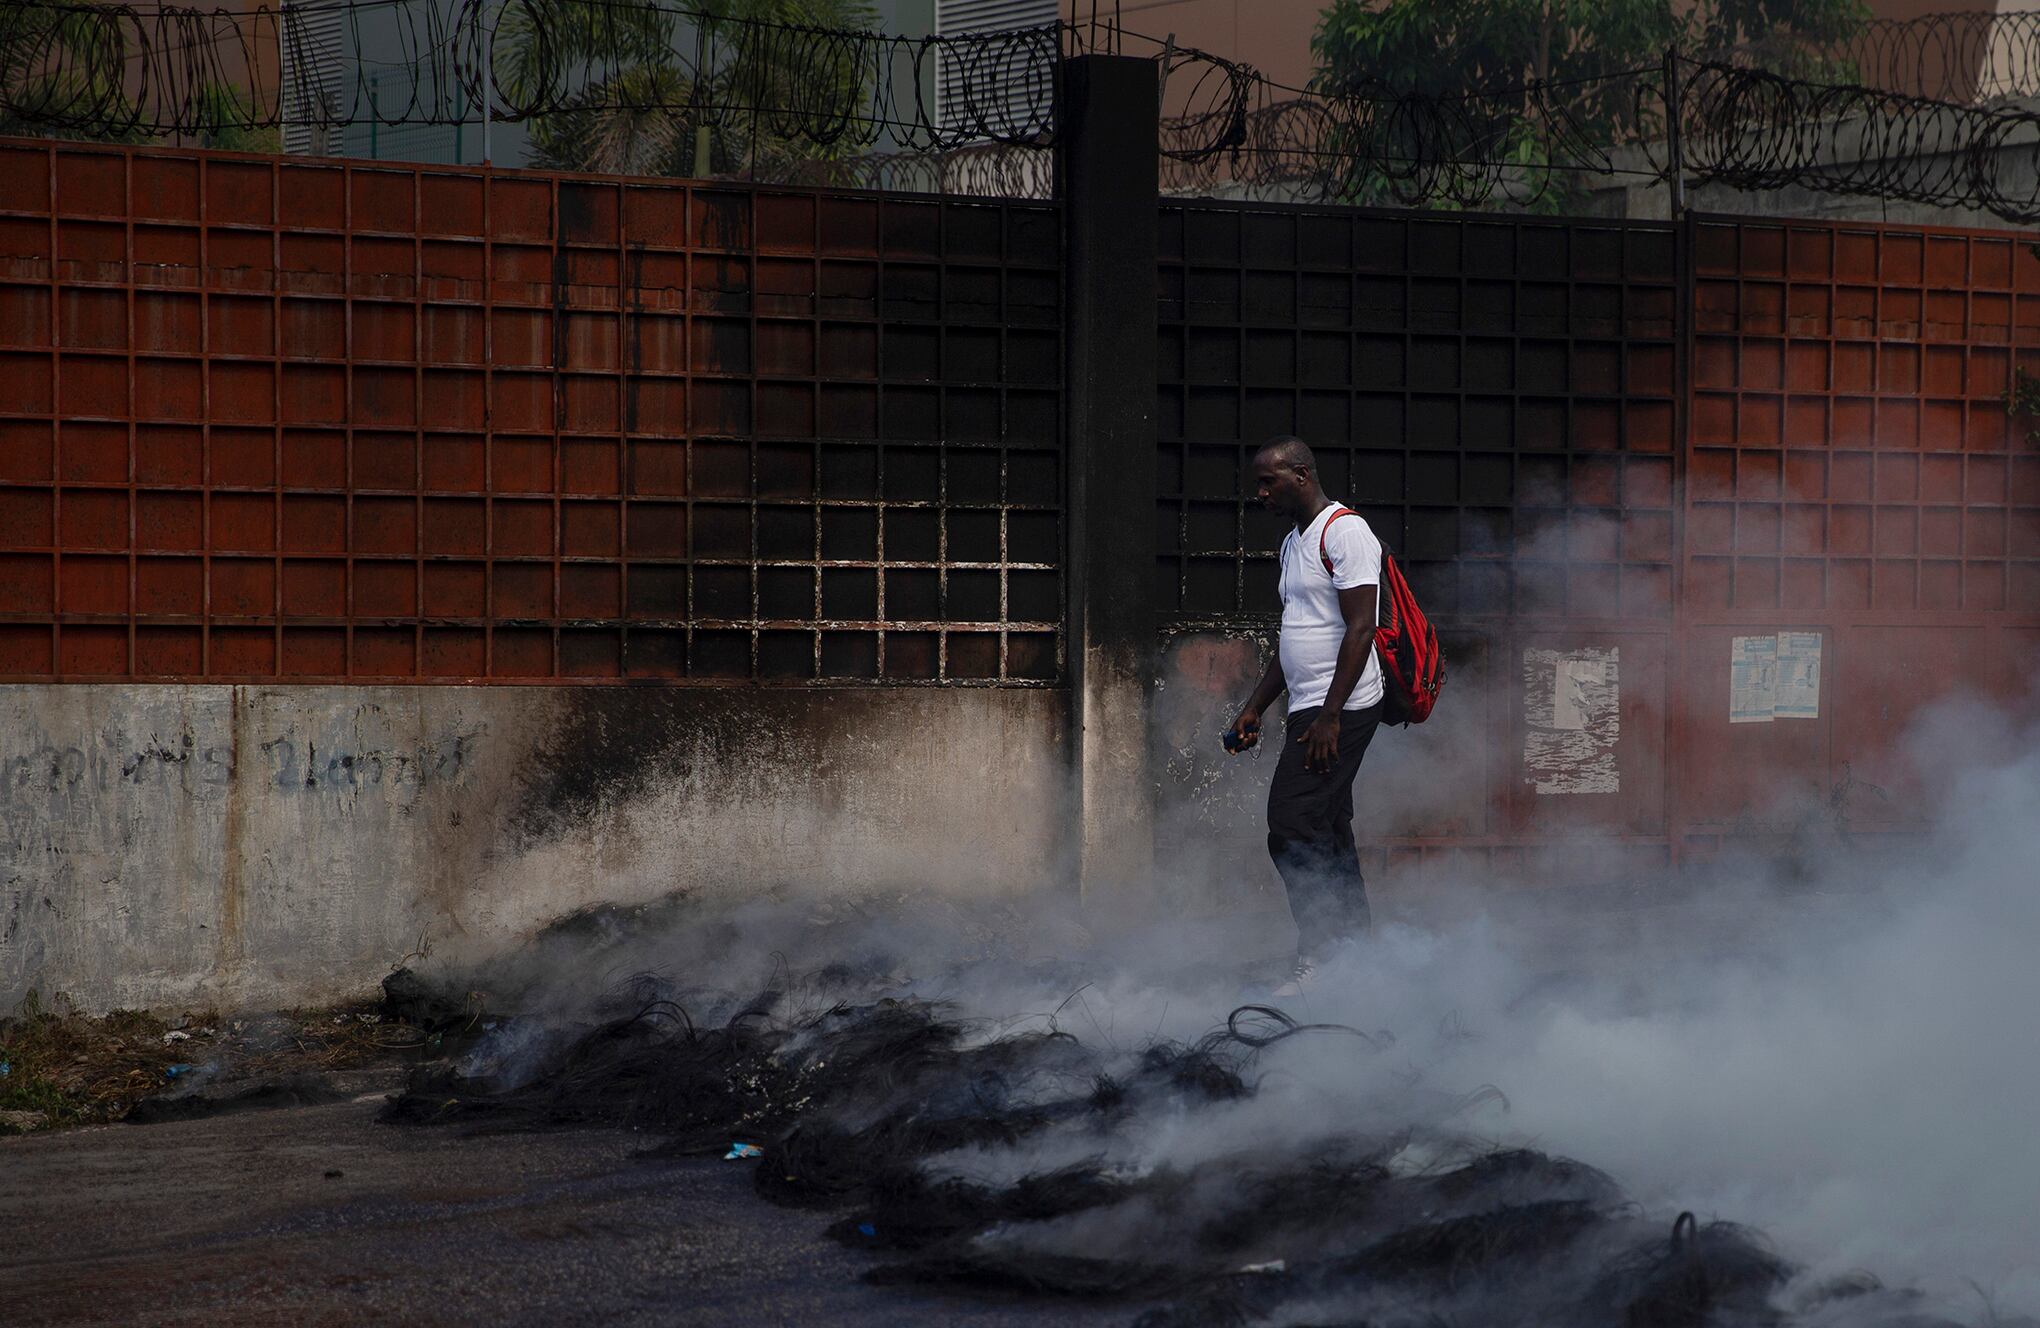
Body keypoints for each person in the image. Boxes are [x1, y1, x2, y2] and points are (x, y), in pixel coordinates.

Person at [1227, 436, 1384, 996]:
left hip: (1341, 708)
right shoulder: (1295, 542)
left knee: (1291, 824)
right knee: (1326, 826)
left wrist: (1332, 715)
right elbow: (1296, 635)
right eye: (1258, 485)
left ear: (1302, 474)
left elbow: (1361, 627)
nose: (1261, 493)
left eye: (1269, 482)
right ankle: (1352, 957)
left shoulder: (1346, 532)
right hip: (1308, 705)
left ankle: (1323, 955)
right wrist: (1255, 706)